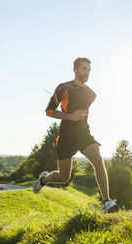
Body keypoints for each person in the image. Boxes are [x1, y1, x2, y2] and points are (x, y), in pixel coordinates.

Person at [32, 57, 118, 214]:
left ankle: (106, 202)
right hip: (66, 137)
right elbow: (49, 111)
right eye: (84, 69)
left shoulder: (91, 94)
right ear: (75, 69)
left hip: (84, 134)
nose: (87, 73)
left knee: (98, 160)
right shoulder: (63, 88)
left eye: (89, 70)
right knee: (64, 177)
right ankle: (43, 180)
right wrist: (70, 116)